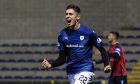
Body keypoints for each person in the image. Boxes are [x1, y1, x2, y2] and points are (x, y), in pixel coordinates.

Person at [42, 4, 111, 84]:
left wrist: (106, 64)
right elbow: (62, 58)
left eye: (70, 14)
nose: (67, 16)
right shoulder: (62, 34)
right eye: (66, 14)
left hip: (86, 71)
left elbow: (102, 50)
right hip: (71, 72)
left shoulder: (88, 33)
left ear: (77, 17)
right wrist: (50, 65)